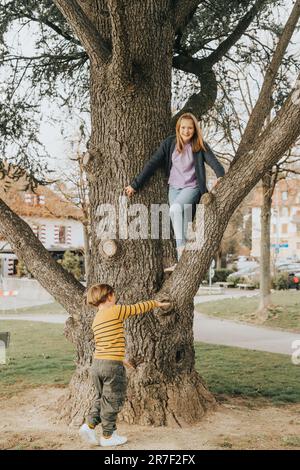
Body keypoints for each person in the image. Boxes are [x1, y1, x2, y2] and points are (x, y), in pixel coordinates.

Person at [79, 283, 170, 447]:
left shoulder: (96, 319)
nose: (116, 297)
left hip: (98, 364)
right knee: (113, 401)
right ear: (109, 297)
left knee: (102, 398)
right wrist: (156, 303)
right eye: (114, 294)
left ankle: (89, 425)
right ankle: (108, 436)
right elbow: (137, 308)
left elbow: (106, 343)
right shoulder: (115, 310)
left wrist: (122, 359)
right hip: (111, 366)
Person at [125, 112, 225, 260]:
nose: (186, 131)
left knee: (174, 209)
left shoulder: (199, 145)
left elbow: (214, 162)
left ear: (195, 129)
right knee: (182, 225)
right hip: (174, 188)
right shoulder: (169, 143)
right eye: (183, 127)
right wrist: (135, 184)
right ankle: (181, 261)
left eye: (190, 128)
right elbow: (152, 163)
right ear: (178, 128)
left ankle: (180, 248)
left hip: (192, 188)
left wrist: (220, 176)